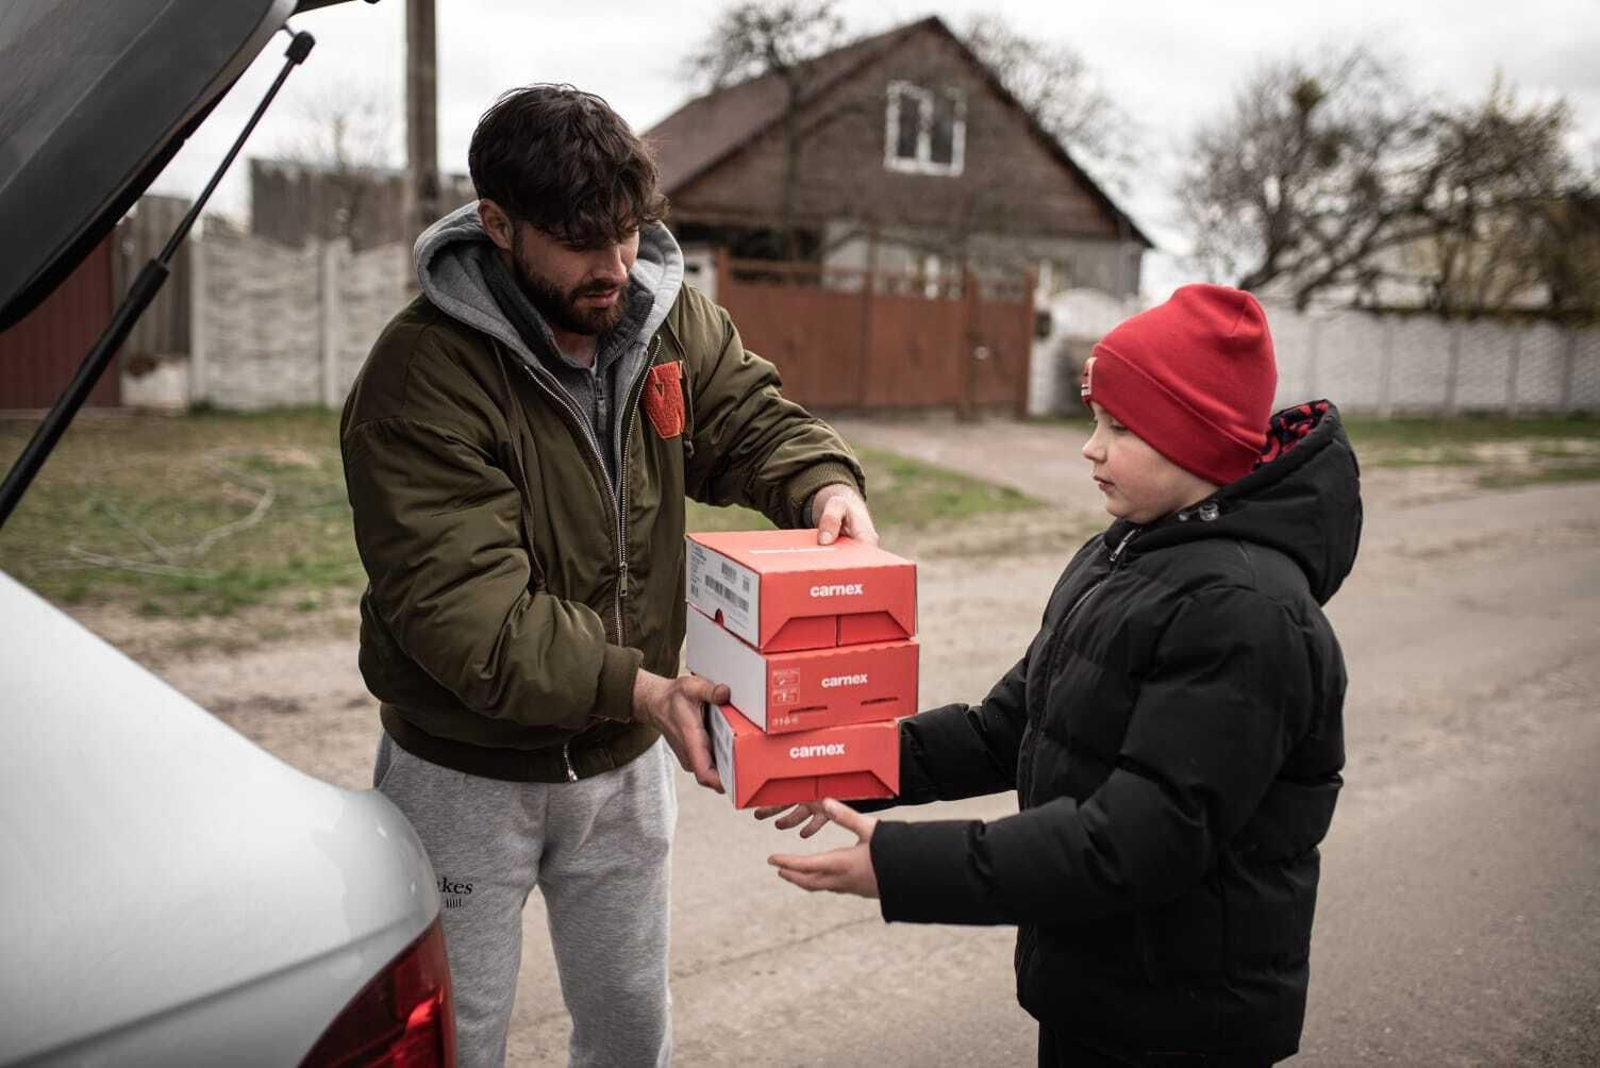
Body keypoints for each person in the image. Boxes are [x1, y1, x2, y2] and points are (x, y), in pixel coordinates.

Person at [341, 84, 875, 1067]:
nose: (617, 267)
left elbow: (748, 419)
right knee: (461, 1036)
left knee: (632, 1021)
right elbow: (467, 613)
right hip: (466, 771)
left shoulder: (665, 323)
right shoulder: (420, 379)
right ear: (498, 226)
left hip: (627, 759)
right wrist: (639, 684)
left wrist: (821, 482)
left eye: (630, 233)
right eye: (583, 242)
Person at [764, 284, 1361, 1066]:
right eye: (1095, 420)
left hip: (1185, 1019)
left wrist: (903, 864)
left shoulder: (1244, 613)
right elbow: (1010, 728)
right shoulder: (1126, 552)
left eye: (1121, 427)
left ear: (1197, 440)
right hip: (1104, 981)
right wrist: (845, 764)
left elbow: (1137, 841)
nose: (1091, 446)